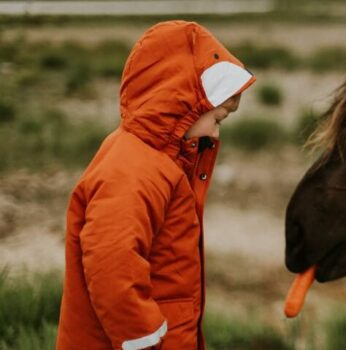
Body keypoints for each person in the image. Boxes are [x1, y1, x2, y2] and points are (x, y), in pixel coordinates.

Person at [56, 20, 255, 349]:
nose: (216, 134)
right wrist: (142, 338)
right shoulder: (133, 169)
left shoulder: (160, 162)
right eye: (217, 120)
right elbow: (111, 263)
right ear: (184, 103)